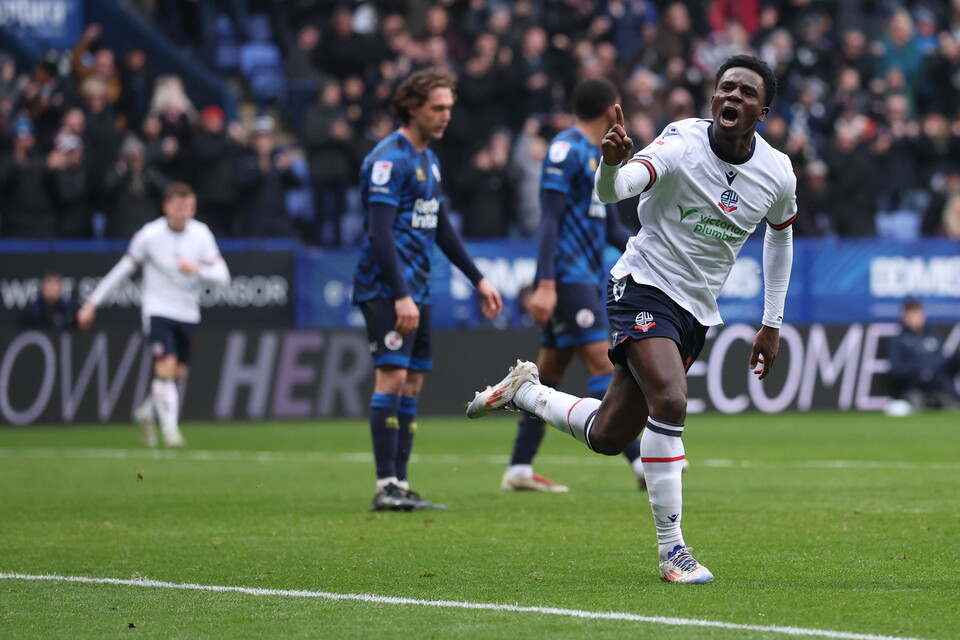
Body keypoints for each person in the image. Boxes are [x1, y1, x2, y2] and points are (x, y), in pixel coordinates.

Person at [467, 55, 797, 584]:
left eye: (746, 92)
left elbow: (780, 236)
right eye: (725, 88)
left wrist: (772, 322)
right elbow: (615, 192)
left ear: (764, 110)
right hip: (641, 285)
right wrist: (612, 164)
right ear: (713, 98)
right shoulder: (681, 141)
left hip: (694, 311)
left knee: (608, 434)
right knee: (670, 400)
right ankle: (674, 552)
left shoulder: (777, 172)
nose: (733, 97)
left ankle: (525, 392)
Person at [354, 67, 503, 512]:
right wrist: (400, 294)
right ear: (412, 107)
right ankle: (385, 485)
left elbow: (438, 227)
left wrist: (477, 279)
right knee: (393, 375)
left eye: (449, 108)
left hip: (418, 289)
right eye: (437, 108)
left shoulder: (428, 161)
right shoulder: (389, 159)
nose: (445, 116)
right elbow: (380, 234)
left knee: (414, 382)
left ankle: (399, 483)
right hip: (386, 288)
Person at [501, 77, 645, 494]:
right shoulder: (564, 149)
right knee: (603, 364)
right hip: (565, 278)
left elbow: (610, 228)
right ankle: (640, 462)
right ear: (609, 110)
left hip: (582, 275)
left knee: (545, 376)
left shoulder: (598, 157)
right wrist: (545, 283)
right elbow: (549, 220)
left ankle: (519, 468)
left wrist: (651, 250)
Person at [77, 182, 231, 448]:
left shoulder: (201, 234)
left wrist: (196, 269)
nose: (185, 213)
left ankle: (147, 413)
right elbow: (122, 270)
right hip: (158, 309)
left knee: (176, 374)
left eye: (189, 207)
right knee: (166, 368)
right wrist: (93, 303)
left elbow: (223, 277)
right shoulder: (149, 235)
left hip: (188, 312)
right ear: (167, 207)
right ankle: (171, 433)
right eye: (180, 207)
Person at [887, 299, 960, 410]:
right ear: (905, 316)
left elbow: (942, 362)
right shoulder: (898, 340)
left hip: (938, 384)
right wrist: (920, 369)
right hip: (914, 386)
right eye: (911, 314)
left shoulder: (933, 336)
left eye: (918, 313)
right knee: (915, 399)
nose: (916, 318)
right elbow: (896, 369)